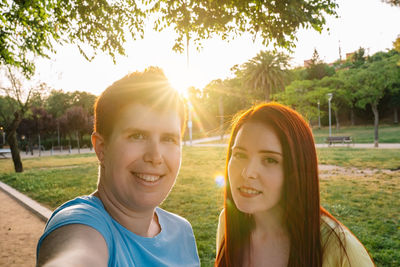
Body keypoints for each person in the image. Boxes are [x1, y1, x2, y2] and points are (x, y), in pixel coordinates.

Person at [37, 67, 200, 266]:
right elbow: (76, 255)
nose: (155, 157)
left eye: (168, 138)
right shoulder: (80, 223)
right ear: (101, 148)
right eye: (137, 136)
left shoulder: (182, 232)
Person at [215, 103, 374, 267]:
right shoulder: (227, 223)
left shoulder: (342, 251)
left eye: (270, 160)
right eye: (240, 154)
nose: (248, 172)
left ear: (297, 168)